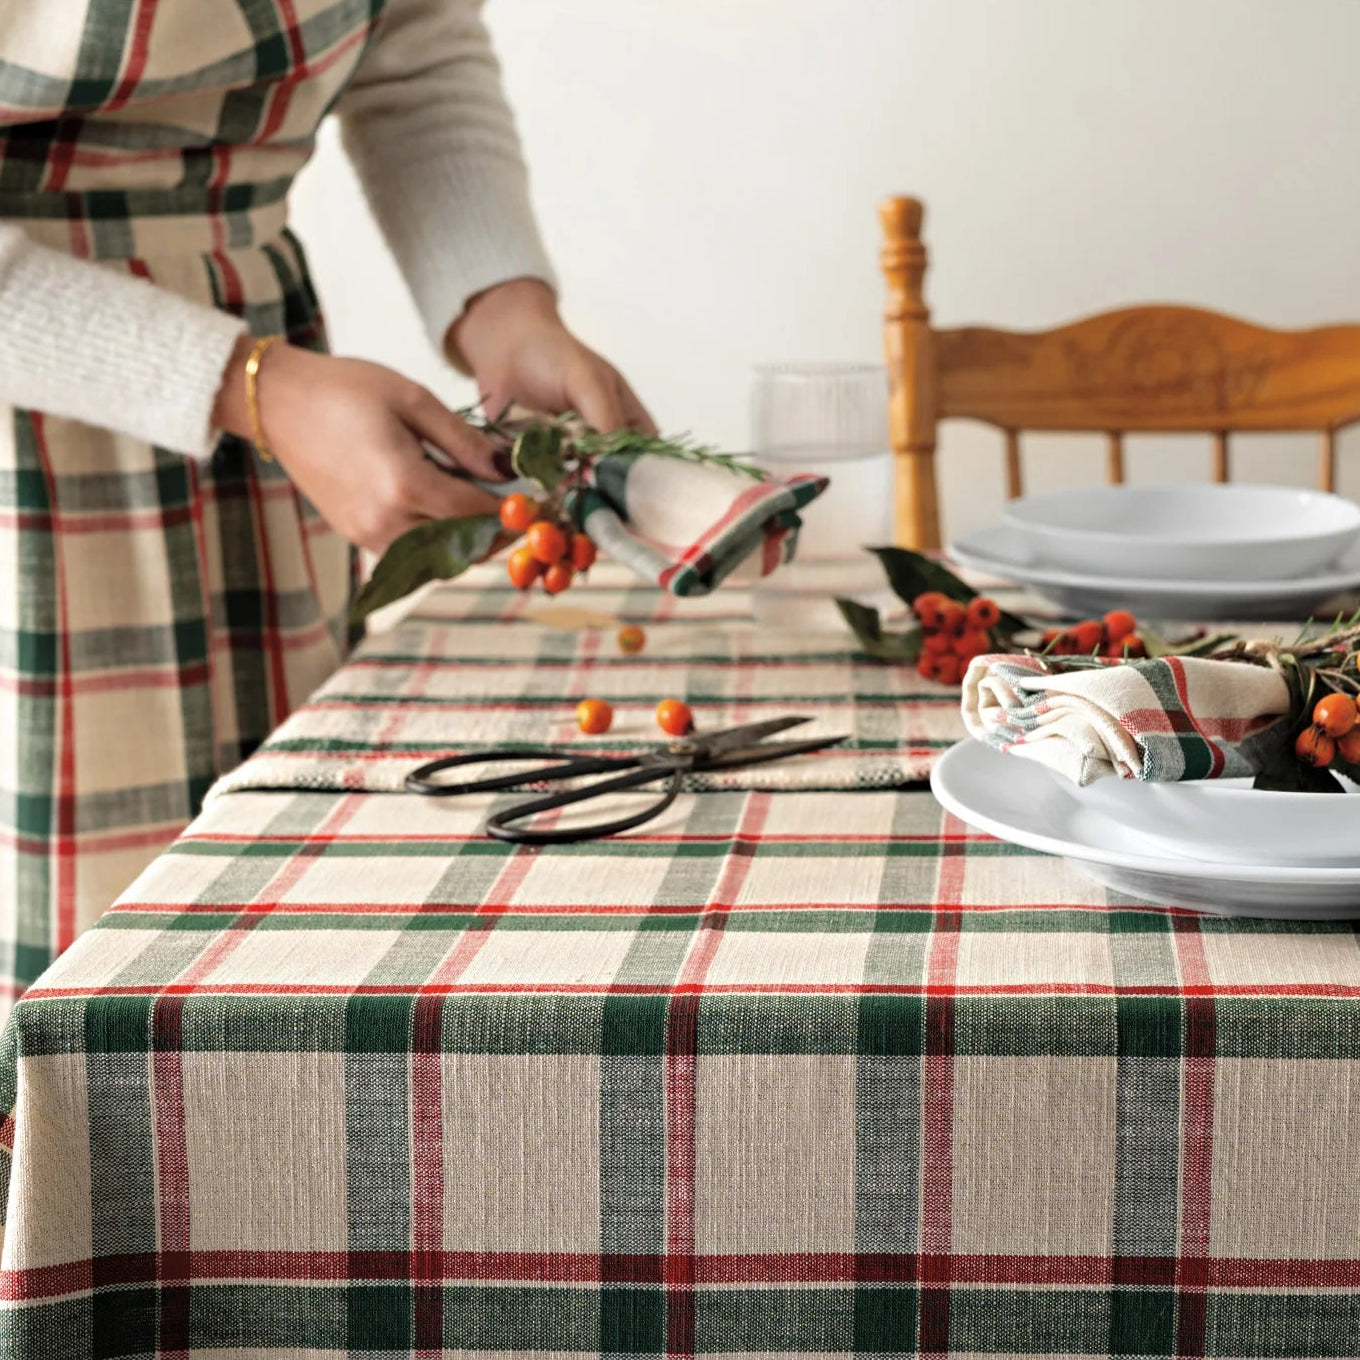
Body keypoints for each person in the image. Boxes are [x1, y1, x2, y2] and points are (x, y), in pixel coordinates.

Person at [0, 0, 652, 1020]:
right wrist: (246, 384)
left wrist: (501, 301)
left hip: (257, 411)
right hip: (36, 423)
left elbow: (412, 42)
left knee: (249, 971)